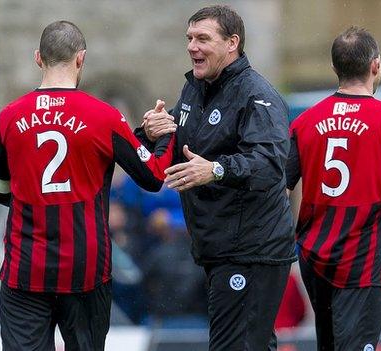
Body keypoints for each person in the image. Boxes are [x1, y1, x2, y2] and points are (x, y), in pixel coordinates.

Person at [0, 20, 175, 350]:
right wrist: (164, 137)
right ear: (81, 59)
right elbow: (153, 175)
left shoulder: (9, 117)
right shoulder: (105, 117)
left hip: (26, 267)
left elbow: (0, 192)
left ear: (38, 58)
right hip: (86, 268)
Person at [140, 5, 295, 350]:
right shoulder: (195, 88)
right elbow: (176, 140)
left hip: (252, 249)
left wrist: (216, 169)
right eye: (190, 38)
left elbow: (270, 163)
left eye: (203, 39)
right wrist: (151, 132)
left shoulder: (257, 94)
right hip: (218, 246)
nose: (193, 47)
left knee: (232, 346)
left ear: (232, 43)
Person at [286, 27, 381, 350]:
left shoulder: (303, 122)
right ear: (376, 66)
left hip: (313, 256)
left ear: (335, 68)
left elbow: (280, 190)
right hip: (360, 262)